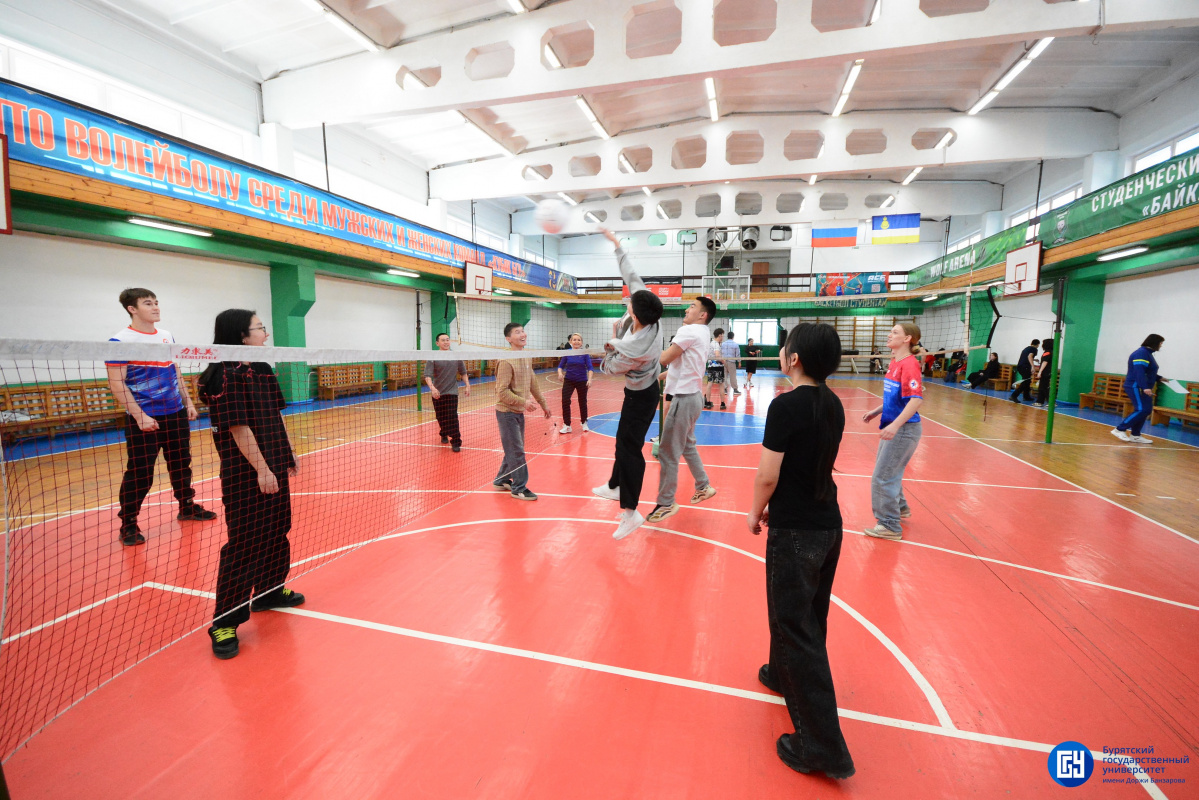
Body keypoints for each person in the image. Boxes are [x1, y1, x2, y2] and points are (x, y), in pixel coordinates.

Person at [747, 322, 854, 780]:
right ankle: (780, 672)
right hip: (828, 524)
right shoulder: (833, 403)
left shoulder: (785, 405)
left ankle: (821, 747)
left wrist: (755, 512)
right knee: (809, 614)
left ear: (793, 358)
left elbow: (768, 474)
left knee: (794, 625)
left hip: (796, 532)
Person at [198, 310, 303, 660]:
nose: (266, 334)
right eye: (260, 328)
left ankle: (269, 591)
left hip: (273, 463)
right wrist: (262, 469)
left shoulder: (261, 368)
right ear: (241, 336)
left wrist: (287, 453)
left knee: (277, 530)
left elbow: (275, 415)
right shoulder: (222, 375)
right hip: (246, 473)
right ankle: (224, 622)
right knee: (244, 544)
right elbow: (238, 428)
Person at [105, 288, 216, 546]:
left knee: (181, 464)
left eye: (156, 302)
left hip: (175, 414)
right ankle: (128, 524)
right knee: (140, 473)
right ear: (132, 309)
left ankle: (186, 506)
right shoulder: (119, 341)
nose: (155, 307)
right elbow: (116, 383)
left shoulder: (166, 336)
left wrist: (188, 402)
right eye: (148, 303)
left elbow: (174, 371)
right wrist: (140, 416)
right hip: (144, 419)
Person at [590, 228, 664, 540]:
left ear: (635, 313)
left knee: (630, 448)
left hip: (642, 395)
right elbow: (632, 276)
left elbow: (609, 368)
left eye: (630, 302)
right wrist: (617, 245)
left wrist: (611, 343)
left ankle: (631, 511)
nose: (628, 300)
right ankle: (614, 484)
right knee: (622, 440)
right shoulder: (649, 313)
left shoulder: (635, 347)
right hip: (638, 392)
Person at [644, 295, 719, 524]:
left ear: (702, 315)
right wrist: (662, 376)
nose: (687, 309)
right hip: (694, 397)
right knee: (687, 445)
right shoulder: (704, 332)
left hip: (684, 399)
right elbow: (683, 363)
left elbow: (665, 358)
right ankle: (703, 486)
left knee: (667, 452)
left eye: (692, 306)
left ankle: (666, 503)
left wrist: (639, 348)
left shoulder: (688, 331)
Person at [862, 323, 924, 541]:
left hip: (904, 430)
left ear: (907, 338)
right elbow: (895, 397)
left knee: (882, 477)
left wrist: (895, 425)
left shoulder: (909, 364)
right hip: (896, 425)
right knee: (889, 473)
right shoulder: (895, 362)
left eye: (895, 332)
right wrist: (877, 411)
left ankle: (889, 525)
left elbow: (916, 400)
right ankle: (901, 508)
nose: (890, 335)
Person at [493, 322, 552, 501]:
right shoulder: (505, 361)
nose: (522, 334)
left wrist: (543, 403)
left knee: (514, 448)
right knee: (516, 450)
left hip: (518, 411)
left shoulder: (526, 356)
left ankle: (501, 479)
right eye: (517, 332)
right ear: (508, 339)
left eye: (523, 331)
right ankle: (519, 487)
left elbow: (532, 382)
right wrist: (523, 402)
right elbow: (501, 392)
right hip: (507, 412)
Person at [1112, 334, 1167, 444]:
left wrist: (1159, 378)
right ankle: (1119, 429)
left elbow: (1148, 371)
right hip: (1135, 386)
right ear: (1154, 342)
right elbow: (1139, 371)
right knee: (1141, 409)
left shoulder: (1148, 354)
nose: (1161, 345)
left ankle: (1135, 435)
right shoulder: (1141, 353)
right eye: (1161, 343)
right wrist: (1145, 387)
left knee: (1146, 410)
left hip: (1143, 387)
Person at [424, 333, 471, 452]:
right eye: (443, 340)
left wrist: (467, 385)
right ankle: (443, 432)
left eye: (447, 340)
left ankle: (456, 441)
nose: (446, 342)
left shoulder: (456, 356)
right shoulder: (433, 357)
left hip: (452, 391)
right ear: (437, 343)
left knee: (452, 416)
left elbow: (463, 372)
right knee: (440, 417)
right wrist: (433, 388)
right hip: (437, 393)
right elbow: (427, 376)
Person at [557, 332, 593, 433]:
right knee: (565, 401)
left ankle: (584, 422)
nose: (576, 342)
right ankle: (567, 425)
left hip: (582, 380)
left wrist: (590, 379)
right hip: (569, 380)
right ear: (570, 341)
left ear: (581, 342)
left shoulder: (584, 353)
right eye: (574, 340)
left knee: (582, 401)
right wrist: (560, 373)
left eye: (579, 340)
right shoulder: (567, 353)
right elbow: (560, 366)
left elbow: (590, 368)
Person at [1009, 339, 1039, 403]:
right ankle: (1014, 395)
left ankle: (1026, 396)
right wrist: (1033, 366)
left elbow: (1026, 357)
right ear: (1038, 344)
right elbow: (1029, 357)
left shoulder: (1026, 348)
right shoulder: (1034, 349)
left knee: (1027, 381)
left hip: (1020, 366)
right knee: (1025, 382)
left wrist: (1034, 360)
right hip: (1025, 367)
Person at [705, 328, 728, 410]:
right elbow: (717, 355)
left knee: (709, 384)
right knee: (721, 385)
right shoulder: (716, 344)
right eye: (722, 335)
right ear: (719, 335)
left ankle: (707, 402)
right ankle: (722, 403)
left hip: (711, 366)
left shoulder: (711, 343)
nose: (723, 337)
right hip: (718, 367)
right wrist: (723, 361)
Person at [1034, 339, 1054, 407]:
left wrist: (1040, 372)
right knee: (1042, 387)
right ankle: (1040, 401)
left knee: (1044, 387)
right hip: (1047, 372)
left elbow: (1045, 362)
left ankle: (1051, 402)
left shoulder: (1047, 352)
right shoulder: (1052, 352)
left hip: (1045, 372)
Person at [722, 331, 741, 396]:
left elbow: (721, 352)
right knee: (733, 376)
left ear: (727, 336)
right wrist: (739, 362)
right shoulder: (735, 344)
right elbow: (737, 354)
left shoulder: (723, 344)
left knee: (724, 376)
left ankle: (724, 389)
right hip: (731, 362)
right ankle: (735, 390)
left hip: (724, 361)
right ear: (733, 337)